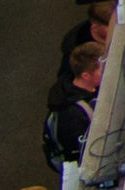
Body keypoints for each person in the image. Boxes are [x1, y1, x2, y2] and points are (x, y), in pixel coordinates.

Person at [43, 44, 102, 172]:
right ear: (86, 76)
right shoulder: (71, 114)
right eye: (101, 69)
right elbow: (83, 152)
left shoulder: (86, 89)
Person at [56, 2, 113, 84]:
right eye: (110, 25)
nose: (115, 28)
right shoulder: (77, 47)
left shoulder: (111, 33)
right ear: (95, 26)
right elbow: (66, 77)